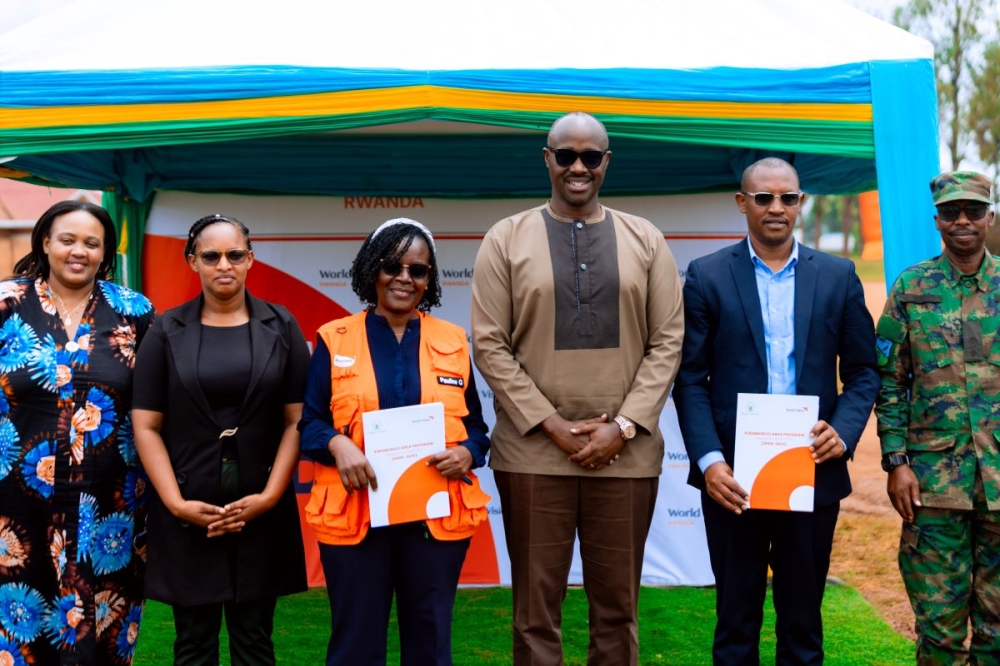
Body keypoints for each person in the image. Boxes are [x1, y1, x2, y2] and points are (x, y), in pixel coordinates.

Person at [470, 111, 684, 666]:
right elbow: (490, 345)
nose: (579, 167)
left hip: (627, 455)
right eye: (566, 155)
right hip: (534, 454)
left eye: (592, 156)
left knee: (618, 608)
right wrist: (552, 426)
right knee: (535, 612)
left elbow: (668, 341)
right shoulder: (505, 238)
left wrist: (624, 425)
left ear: (607, 162)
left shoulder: (646, 239)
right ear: (548, 159)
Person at [673, 157, 878, 665]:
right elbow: (690, 378)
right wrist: (709, 461)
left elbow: (864, 371)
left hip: (811, 469)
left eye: (787, 197)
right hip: (734, 480)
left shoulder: (837, 276)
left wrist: (845, 431)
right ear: (743, 203)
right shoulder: (707, 276)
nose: (776, 207)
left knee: (803, 627)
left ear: (801, 203)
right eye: (763, 198)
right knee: (735, 624)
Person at [299, 217, 491, 666]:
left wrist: (467, 453)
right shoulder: (335, 338)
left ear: (430, 279)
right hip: (357, 515)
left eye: (418, 270)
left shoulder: (453, 341)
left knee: (429, 641)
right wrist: (336, 444)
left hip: (432, 519)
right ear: (372, 270)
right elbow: (308, 424)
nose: (404, 278)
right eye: (392, 265)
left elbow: (478, 432)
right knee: (356, 646)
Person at [131, 214, 309, 666]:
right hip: (188, 508)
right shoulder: (166, 330)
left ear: (251, 259)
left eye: (235, 255)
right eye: (211, 256)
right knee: (193, 643)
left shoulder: (282, 325)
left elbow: (297, 421)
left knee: (254, 641)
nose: (223, 264)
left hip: (260, 508)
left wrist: (270, 497)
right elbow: (146, 425)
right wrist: (174, 504)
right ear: (193, 262)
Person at [0, 200, 155, 665]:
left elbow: (157, 400)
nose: (78, 251)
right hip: (15, 504)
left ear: (105, 252)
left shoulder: (134, 311)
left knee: (106, 631)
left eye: (92, 243)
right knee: (19, 633)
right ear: (45, 241)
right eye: (67, 239)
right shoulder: (6, 303)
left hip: (112, 506)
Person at [875, 171, 1000, 665]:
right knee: (939, 633)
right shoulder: (912, 287)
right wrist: (896, 461)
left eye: (973, 210)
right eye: (951, 212)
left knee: (997, 631)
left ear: (990, 216)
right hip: (933, 485)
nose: (962, 221)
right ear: (937, 221)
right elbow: (890, 381)